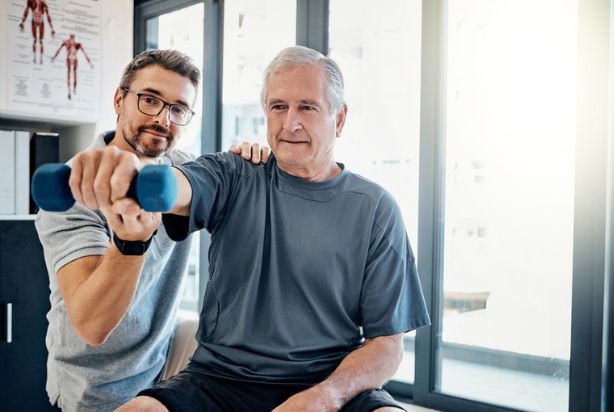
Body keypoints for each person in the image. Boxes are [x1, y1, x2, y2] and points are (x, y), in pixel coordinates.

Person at [110, 46, 430, 411]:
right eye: (279, 107)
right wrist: (135, 183)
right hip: (219, 382)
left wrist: (327, 396)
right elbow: (178, 185)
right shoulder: (234, 172)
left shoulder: (375, 208)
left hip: (329, 381)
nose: (290, 122)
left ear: (339, 120)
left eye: (307, 107)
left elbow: (388, 344)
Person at [35, 49, 268, 412]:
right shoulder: (76, 193)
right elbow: (92, 326)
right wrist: (130, 241)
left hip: (163, 369)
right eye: (150, 100)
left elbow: (229, 186)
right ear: (119, 99)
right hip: (95, 387)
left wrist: (254, 160)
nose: (163, 118)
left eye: (178, 109)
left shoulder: (183, 172)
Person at [51, 34, 94, 100]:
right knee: (68, 75)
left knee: (74, 75)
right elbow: (59, 50)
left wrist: (90, 63)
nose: (71, 39)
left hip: (74, 60)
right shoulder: (66, 43)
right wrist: (54, 57)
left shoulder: (77, 45)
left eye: (72, 38)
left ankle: (74, 90)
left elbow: (85, 53)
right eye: (71, 38)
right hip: (69, 59)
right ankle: (69, 91)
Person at [18, 0, 55, 64]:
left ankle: (40, 59)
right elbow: (26, 12)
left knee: (40, 41)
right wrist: (22, 22)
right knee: (35, 40)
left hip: (40, 22)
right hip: (34, 21)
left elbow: (48, 15)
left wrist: (52, 28)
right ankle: (35, 58)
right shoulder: (31, 1)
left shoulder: (43, 3)